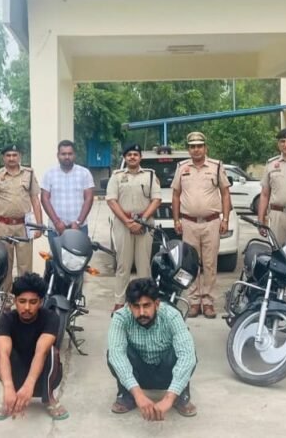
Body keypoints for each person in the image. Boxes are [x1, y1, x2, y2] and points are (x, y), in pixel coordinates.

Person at [107, 278, 197, 421]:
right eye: (136, 306)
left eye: (147, 305)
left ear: (157, 304)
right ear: (129, 306)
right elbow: (116, 355)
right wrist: (139, 395)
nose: (142, 312)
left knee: (187, 352)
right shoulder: (120, 318)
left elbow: (187, 356)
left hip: (166, 371)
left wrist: (168, 398)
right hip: (138, 373)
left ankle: (180, 395)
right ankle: (128, 395)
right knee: (114, 353)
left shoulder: (172, 315)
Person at [170, 131, 231, 319]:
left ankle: (208, 301)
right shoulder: (182, 167)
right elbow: (176, 195)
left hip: (211, 222)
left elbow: (225, 193)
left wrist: (225, 219)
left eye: (199, 146)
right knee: (190, 264)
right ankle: (194, 301)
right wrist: (176, 220)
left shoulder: (216, 166)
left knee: (210, 263)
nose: (196, 150)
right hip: (189, 223)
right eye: (192, 146)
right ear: (188, 149)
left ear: (205, 148)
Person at [0, 273, 68, 422]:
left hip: (43, 372)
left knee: (51, 352)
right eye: (22, 301)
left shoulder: (51, 318)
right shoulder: (6, 319)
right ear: (15, 301)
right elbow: (3, 353)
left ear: (41, 302)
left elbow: (41, 352)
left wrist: (29, 385)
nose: (27, 307)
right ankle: (9, 398)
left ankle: (48, 398)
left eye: (33, 302)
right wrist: (8, 387)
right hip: (16, 371)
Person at [105, 143, 162, 312]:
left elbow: (156, 200)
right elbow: (111, 200)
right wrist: (127, 222)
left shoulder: (150, 175)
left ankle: (145, 300)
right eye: (129, 155)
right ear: (125, 158)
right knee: (123, 265)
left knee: (144, 265)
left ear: (140, 157)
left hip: (145, 223)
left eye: (135, 154)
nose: (132, 157)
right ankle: (120, 301)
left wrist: (141, 220)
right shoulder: (117, 176)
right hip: (123, 224)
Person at [0, 143, 44, 294]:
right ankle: (5, 298)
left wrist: (39, 225)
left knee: (25, 266)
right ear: (3, 157)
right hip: (3, 226)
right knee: (4, 265)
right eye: (8, 155)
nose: (11, 158)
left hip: (24, 226)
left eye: (14, 155)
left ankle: (24, 298)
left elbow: (35, 200)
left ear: (20, 156)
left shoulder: (28, 174)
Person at [40, 140, 95, 237]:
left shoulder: (84, 173)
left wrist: (78, 222)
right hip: (55, 229)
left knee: (80, 248)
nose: (67, 157)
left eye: (70, 154)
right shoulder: (49, 174)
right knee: (56, 248)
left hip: (80, 227)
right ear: (58, 155)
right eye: (63, 154)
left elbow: (89, 198)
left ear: (74, 155)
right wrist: (56, 222)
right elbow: (44, 199)